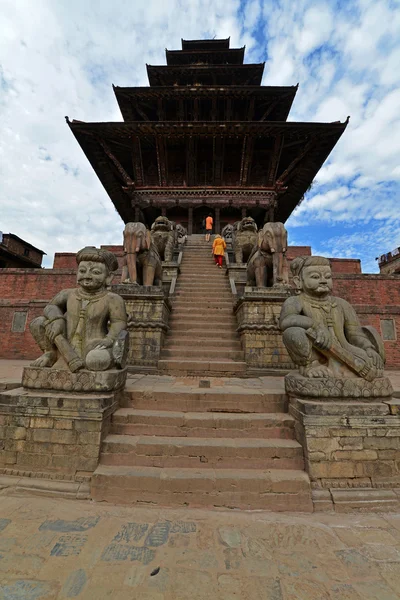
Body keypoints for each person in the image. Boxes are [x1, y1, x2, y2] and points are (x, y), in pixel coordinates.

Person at [279, 256, 384, 379]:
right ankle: (310, 366)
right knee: (292, 332)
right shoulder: (295, 301)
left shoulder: (342, 304)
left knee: (372, 363)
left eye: (328, 277)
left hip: (345, 350)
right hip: (316, 351)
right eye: (315, 277)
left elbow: (355, 334)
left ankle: (344, 370)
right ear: (298, 281)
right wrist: (315, 325)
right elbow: (286, 320)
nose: (323, 281)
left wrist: (368, 348)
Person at [30, 247, 127, 372]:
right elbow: (51, 306)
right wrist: (57, 319)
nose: (87, 276)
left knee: (95, 360)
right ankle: (50, 353)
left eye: (96, 272)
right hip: (65, 342)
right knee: (38, 322)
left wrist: (109, 339)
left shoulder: (113, 299)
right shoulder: (67, 294)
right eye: (82, 271)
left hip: (96, 345)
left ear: (109, 277)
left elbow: (119, 323)